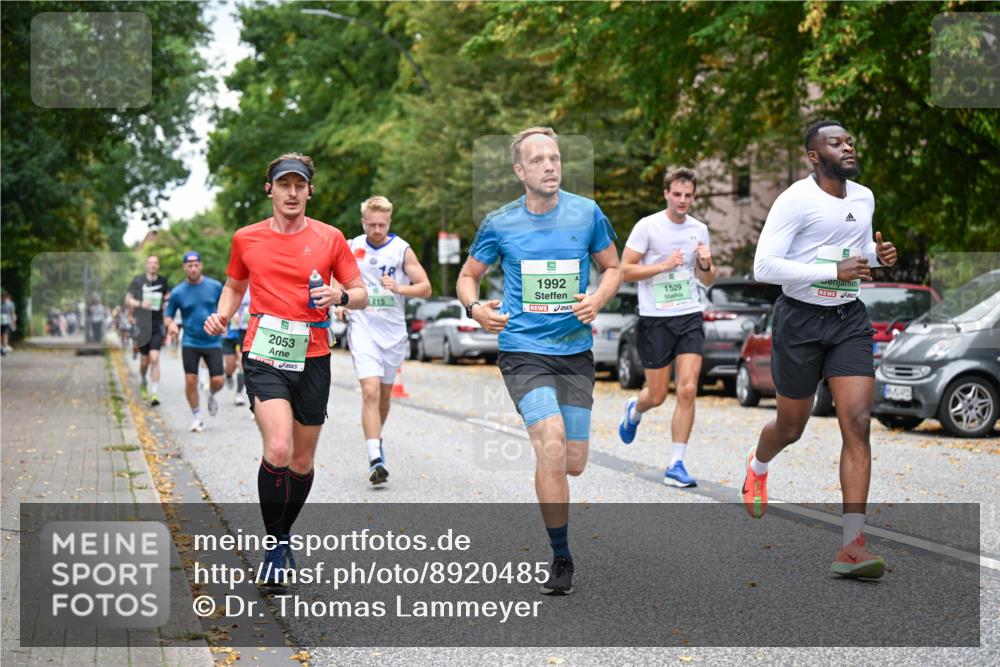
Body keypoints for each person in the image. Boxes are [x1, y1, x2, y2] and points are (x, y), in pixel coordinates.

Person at [456, 127, 622, 595]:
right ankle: (562, 555)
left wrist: (598, 298)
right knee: (550, 443)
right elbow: (468, 277)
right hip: (523, 351)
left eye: (555, 158)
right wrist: (475, 308)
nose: (550, 166)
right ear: (520, 171)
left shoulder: (586, 213)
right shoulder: (499, 223)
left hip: (574, 352)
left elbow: (613, 267)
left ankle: (560, 521)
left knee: (573, 461)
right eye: (539, 160)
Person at [204, 153, 366, 585]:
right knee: (278, 448)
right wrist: (223, 314)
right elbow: (235, 284)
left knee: (301, 459)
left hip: (314, 355)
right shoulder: (246, 238)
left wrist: (340, 297)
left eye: (299, 185)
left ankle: (283, 534)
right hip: (264, 352)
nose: (291, 192)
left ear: (309, 190)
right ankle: (275, 546)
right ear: (269, 189)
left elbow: (361, 292)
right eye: (284, 184)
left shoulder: (331, 238)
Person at [745, 119, 898, 579]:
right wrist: (833, 271)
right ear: (814, 156)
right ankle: (757, 466)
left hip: (848, 318)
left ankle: (851, 545)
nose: (848, 147)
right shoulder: (795, 200)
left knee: (858, 421)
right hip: (799, 321)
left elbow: (853, 255)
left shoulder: (864, 197)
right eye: (836, 142)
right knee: (792, 426)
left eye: (850, 140)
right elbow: (763, 266)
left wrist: (876, 258)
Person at [617, 168, 716, 487]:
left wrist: (705, 263)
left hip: (689, 313)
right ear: (666, 194)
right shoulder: (648, 227)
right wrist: (663, 265)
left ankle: (676, 463)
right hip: (655, 318)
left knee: (687, 388)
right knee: (657, 395)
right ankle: (635, 409)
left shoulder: (699, 229)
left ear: (694, 197)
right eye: (677, 194)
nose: (683, 200)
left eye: (689, 195)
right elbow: (625, 271)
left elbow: (708, 279)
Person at [343, 196, 432, 485]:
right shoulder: (351, 245)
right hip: (363, 326)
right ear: (363, 221)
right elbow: (334, 277)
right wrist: (339, 301)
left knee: (383, 394)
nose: (377, 230)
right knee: (369, 391)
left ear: (389, 222)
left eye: (382, 224)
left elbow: (426, 288)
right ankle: (375, 458)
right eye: (372, 224)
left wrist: (400, 288)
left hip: (393, 333)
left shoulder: (401, 250)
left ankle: (376, 438)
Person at [165, 252, 225, 432]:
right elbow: (167, 316)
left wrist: (228, 319)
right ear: (184, 267)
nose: (193, 268)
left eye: (196, 264)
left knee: (218, 380)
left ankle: (211, 394)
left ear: (201, 265)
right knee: (191, 380)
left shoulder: (215, 286)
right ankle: (197, 416)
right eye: (189, 265)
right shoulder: (177, 292)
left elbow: (225, 306)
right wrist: (172, 325)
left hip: (213, 341)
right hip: (190, 340)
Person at [126, 256, 169, 405]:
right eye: (150, 263)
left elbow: (167, 297)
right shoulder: (138, 281)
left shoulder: (162, 281)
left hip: (157, 326)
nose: (153, 265)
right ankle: (144, 380)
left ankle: (154, 393)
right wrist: (141, 303)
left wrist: (168, 301)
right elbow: (128, 299)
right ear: (146, 265)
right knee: (144, 362)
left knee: (155, 358)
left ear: (158, 266)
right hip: (142, 326)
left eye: (156, 263)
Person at [1, 290, 16, 355]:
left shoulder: (10, 304)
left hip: (6, 322)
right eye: (2, 297)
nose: (4, 298)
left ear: (7, 297)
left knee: (5, 335)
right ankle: (2, 347)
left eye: (5, 297)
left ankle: (4, 348)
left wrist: (13, 322)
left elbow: (12, 313)